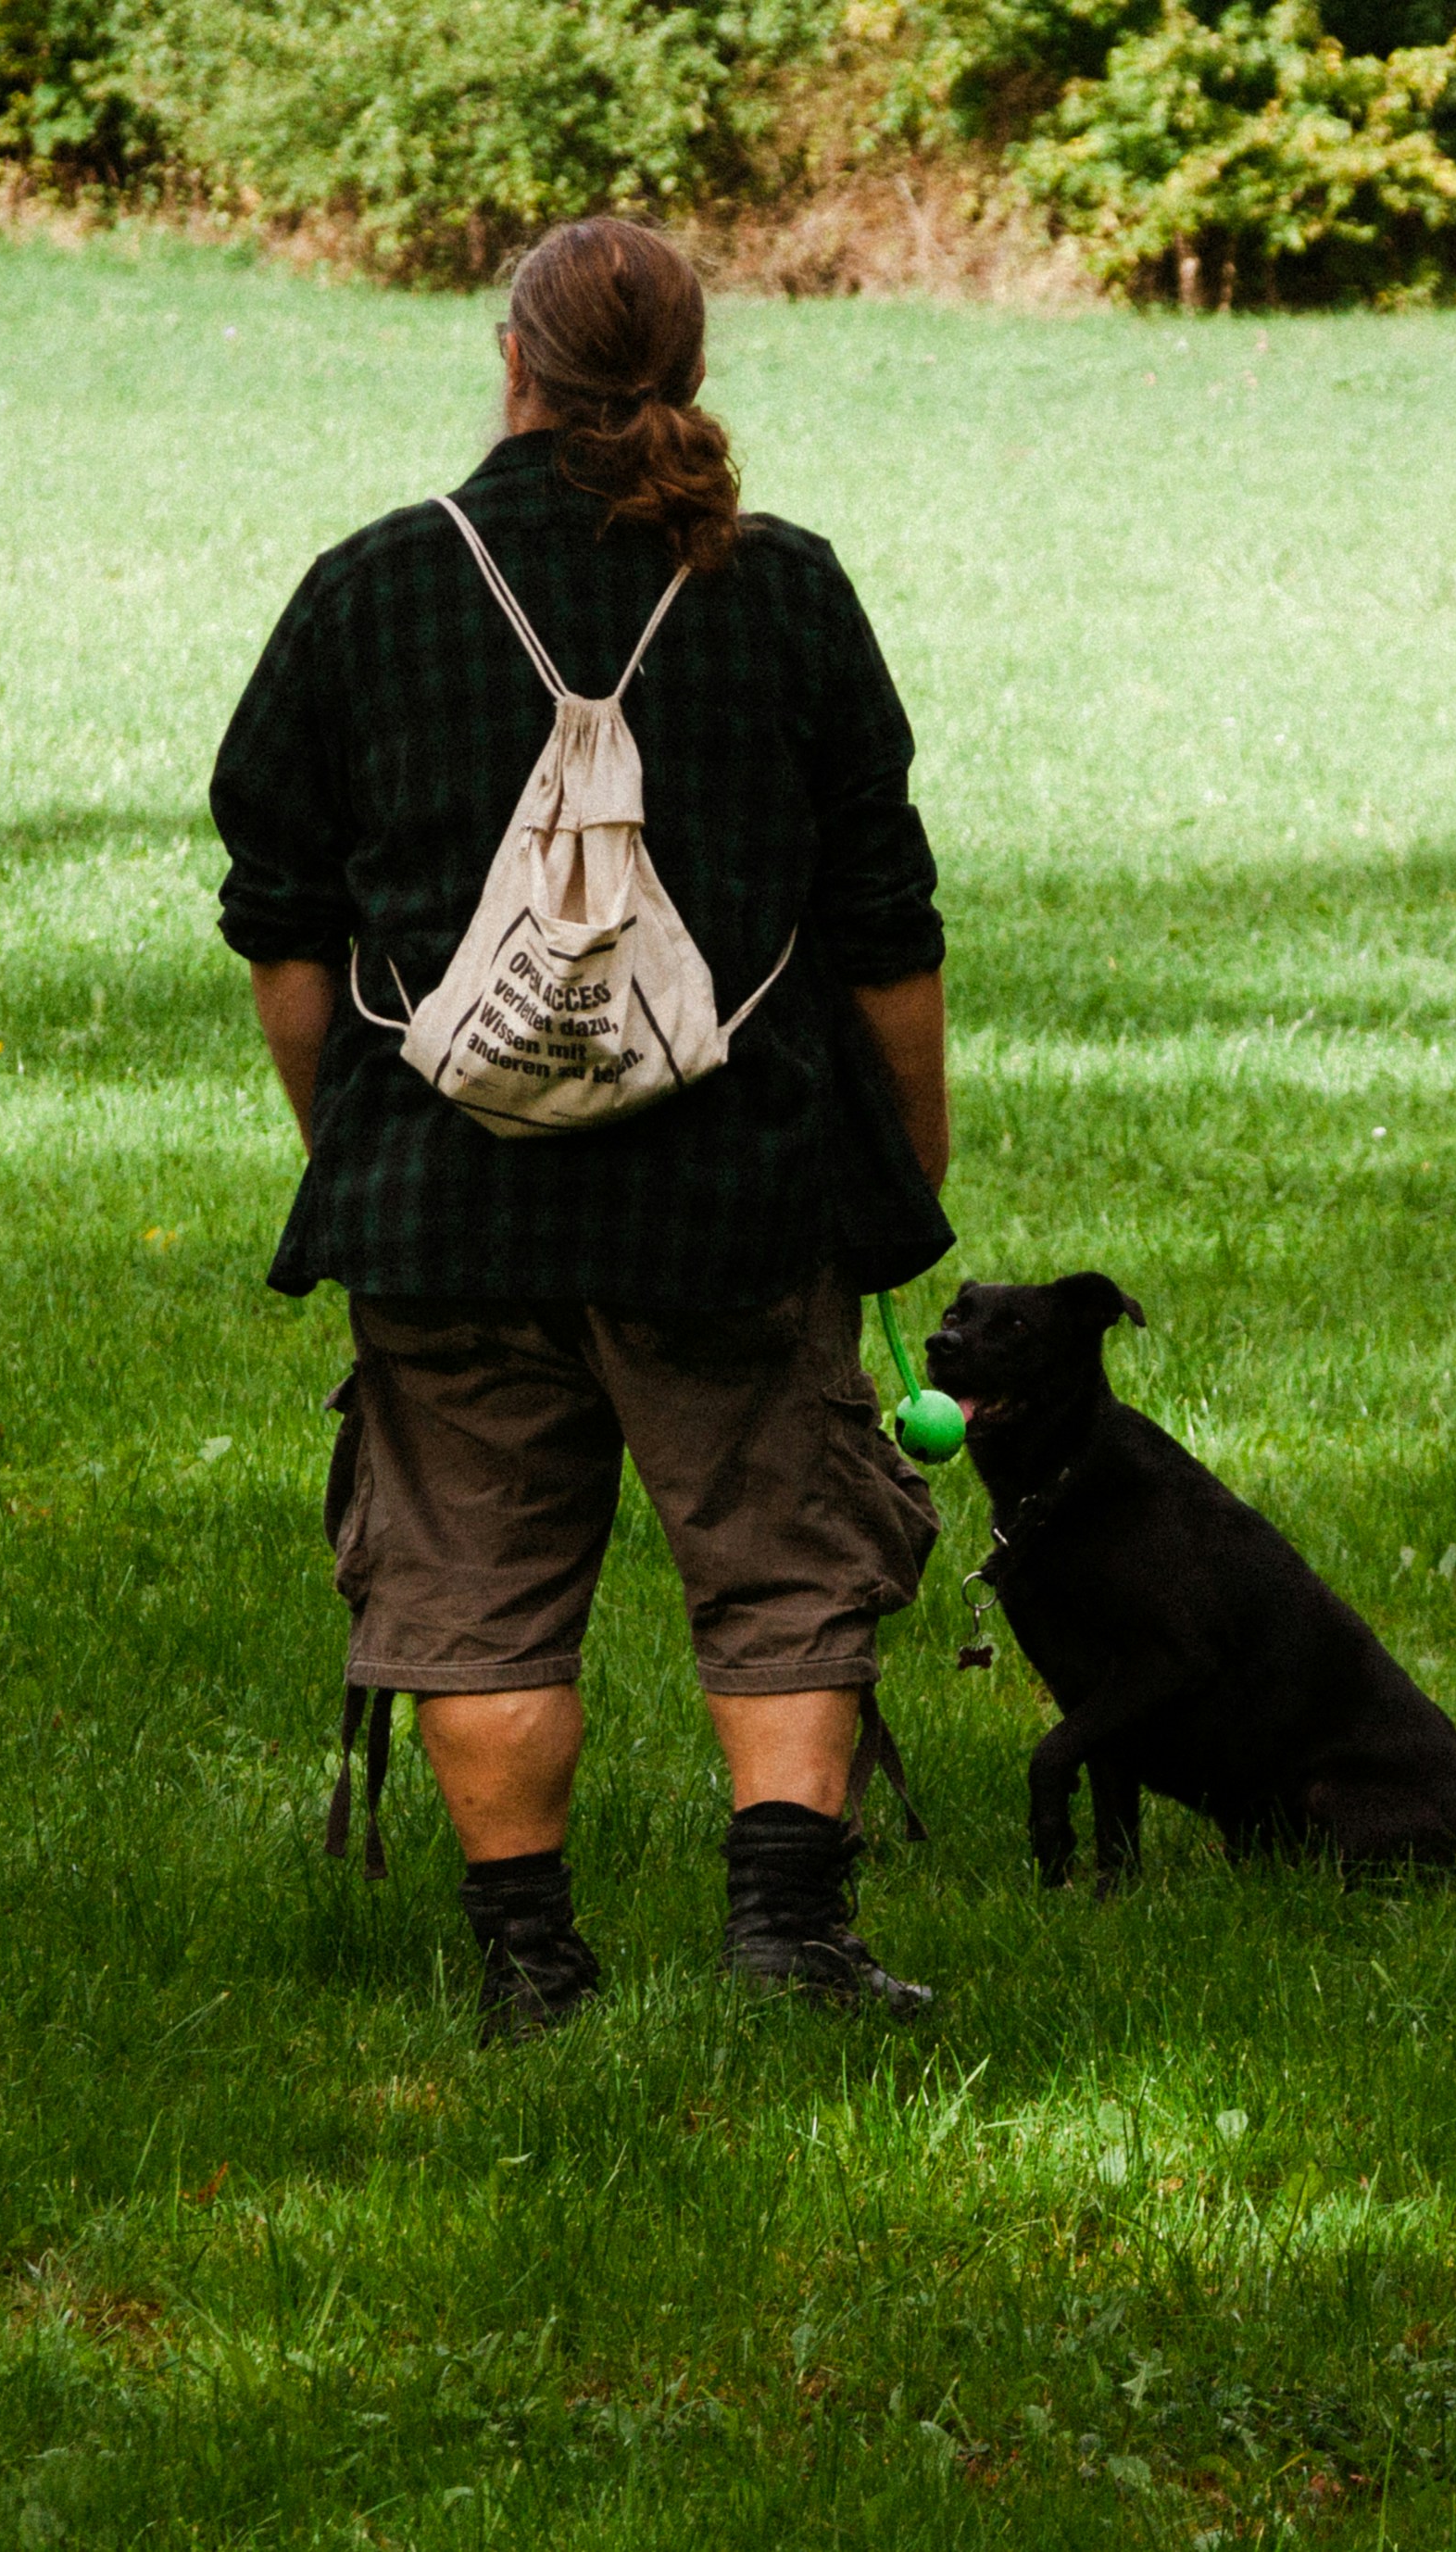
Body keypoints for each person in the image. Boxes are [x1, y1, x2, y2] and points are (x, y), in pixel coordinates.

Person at [209, 217, 959, 2041]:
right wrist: (904, 1164)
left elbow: (284, 926)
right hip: (734, 1190)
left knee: (472, 1578)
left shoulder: (372, 587)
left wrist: (349, 1141)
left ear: (512, 362)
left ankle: (529, 1964)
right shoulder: (782, 592)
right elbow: (884, 924)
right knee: (782, 1554)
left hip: (442, 1197)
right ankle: (788, 1940)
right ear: (692, 374)